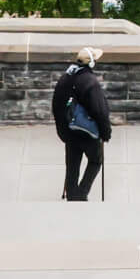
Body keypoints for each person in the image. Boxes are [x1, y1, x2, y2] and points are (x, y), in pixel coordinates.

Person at [51, 45, 112, 200]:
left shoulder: (65, 78)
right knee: (96, 161)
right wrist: (106, 133)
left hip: (69, 133)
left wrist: (62, 132)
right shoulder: (90, 81)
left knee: (72, 167)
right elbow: (100, 111)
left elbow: (56, 106)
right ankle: (81, 194)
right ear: (90, 63)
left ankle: (72, 196)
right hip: (87, 133)